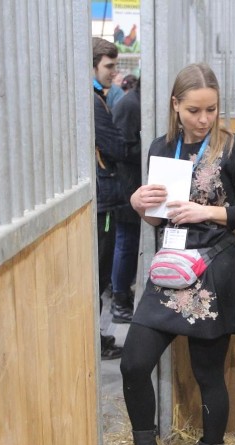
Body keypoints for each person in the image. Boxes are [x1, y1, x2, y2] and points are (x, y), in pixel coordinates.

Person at [117, 63, 235, 445]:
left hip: (215, 269)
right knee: (133, 363)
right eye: (195, 110)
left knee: (207, 372)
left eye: (211, 110)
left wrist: (210, 212)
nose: (204, 119)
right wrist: (137, 203)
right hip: (170, 266)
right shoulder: (161, 147)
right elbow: (155, 216)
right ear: (175, 106)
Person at [92, 37, 129, 360]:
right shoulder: (92, 102)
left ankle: (96, 336)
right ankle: (95, 339)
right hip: (102, 199)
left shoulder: (97, 98)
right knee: (99, 274)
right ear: (92, 65)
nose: (113, 72)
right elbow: (116, 146)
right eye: (109, 66)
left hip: (102, 194)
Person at [109, 76, 142, 323]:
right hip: (126, 184)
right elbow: (120, 148)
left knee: (127, 242)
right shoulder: (130, 105)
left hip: (131, 183)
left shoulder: (133, 102)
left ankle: (122, 296)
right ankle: (119, 300)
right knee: (126, 242)